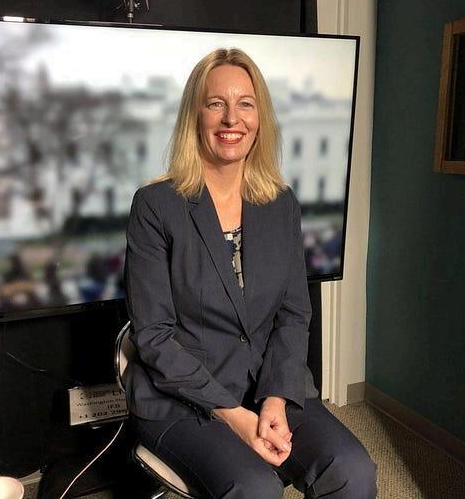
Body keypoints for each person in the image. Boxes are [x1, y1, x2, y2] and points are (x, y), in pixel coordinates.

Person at [124, 48, 376, 498]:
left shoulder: (281, 204)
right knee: (255, 488)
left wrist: (275, 398)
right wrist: (235, 415)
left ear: (260, 118)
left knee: (352, 470)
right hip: (183, 401)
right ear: (195, 115)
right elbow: (154, 336)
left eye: (245, 103)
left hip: (268, 384)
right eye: (215, 103)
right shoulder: (155, 206)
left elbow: (293, 314)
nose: (231, 118)